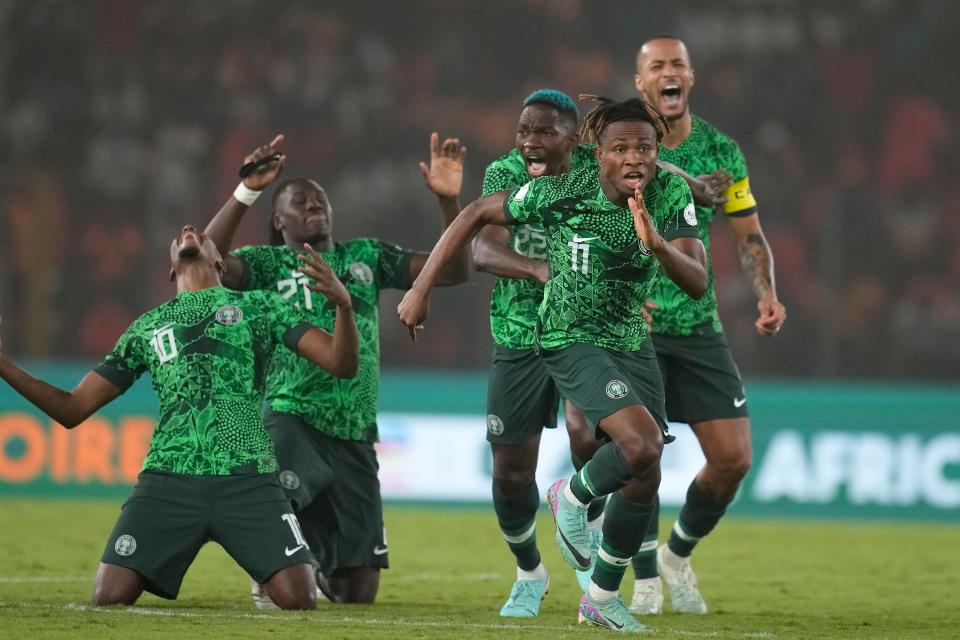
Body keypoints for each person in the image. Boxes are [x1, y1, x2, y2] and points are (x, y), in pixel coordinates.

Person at [398, 96, 708, 633]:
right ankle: (569, 500)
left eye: (645, 148)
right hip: (568, 332)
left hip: (630, 338)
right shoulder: (561, 190)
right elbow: (476, 219)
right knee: (634, 445)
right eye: (621, 148)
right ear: (600, 154)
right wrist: (420, 289)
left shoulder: (669, 191)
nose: (634, 158)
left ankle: (601, 596)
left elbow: (698, 281)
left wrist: (657, 243)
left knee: (645, 473)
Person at [0, 225, 359, 609]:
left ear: (220, 261)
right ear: (171, 269)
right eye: (181, 233)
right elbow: (71, 409)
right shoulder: (145, 327)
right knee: (108, 597)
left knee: (300, 599)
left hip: (248, 478)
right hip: (169, 480)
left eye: (200, 233)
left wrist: (344, 306)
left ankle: (266, 562)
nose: (189, 230)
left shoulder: (261, 306)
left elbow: (341, 363)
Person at [471, 89, 730, 617]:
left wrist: (690, 188)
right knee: (512, 473)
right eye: (524, 132)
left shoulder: (610, 165)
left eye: (543, 132)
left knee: (607, 442)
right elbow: (480, 244)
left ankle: (598, 573)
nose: (530, 142)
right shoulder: (506, 174)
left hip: (597, 331)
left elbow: (646, 158)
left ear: (576, 140)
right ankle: (530, 572)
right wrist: (548, 271)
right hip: (523, 330)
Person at [204, 132, 470, 605]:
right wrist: (246, 192)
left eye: (320, 199)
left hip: (355, 432)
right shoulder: (265, 265)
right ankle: (272, 566)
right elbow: (205, 264)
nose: (314, 204)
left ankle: (308, 564)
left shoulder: (364, 257)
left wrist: (449, 204)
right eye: (300, 200)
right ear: (279, 221)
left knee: (356, 593)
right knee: (273, 495)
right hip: (292, 416)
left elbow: (453, 271)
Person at [628, 36, 787, 615]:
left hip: (697, 324)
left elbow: (748, 233)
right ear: (640, 80)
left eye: (677, 64)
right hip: (631, 325)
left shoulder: (722, 151)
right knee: (639, 456)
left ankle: (676, 554)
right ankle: (643, 576)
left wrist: (767, 292)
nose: (669, 73)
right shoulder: (621, 141)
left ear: (691, 77)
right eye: (656, 66)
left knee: (733, 458)